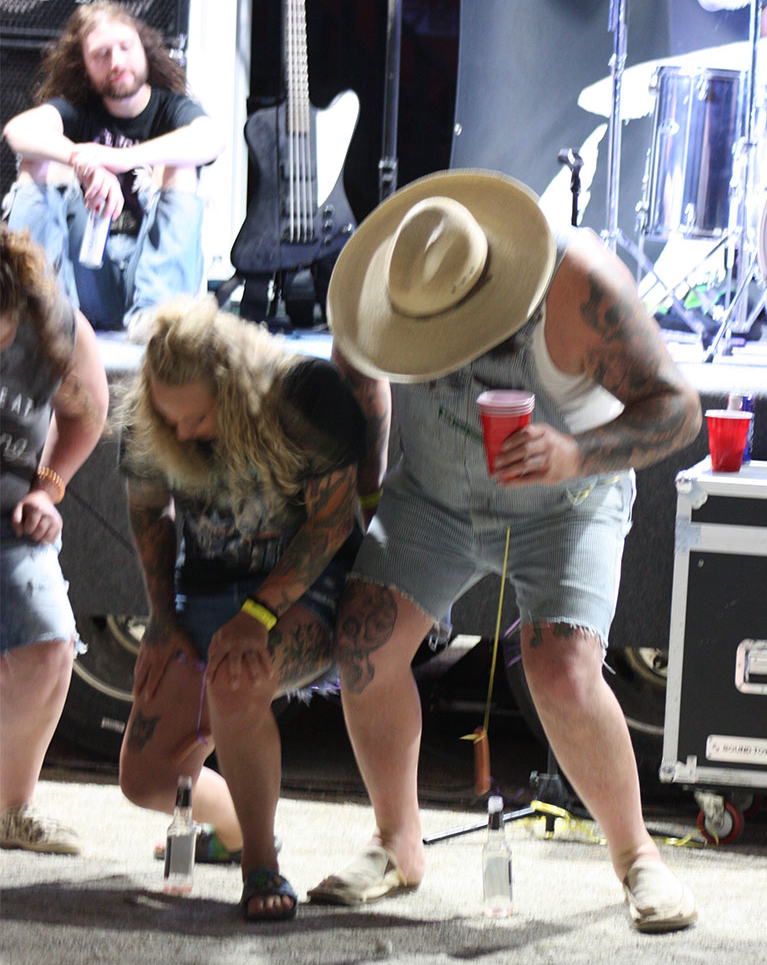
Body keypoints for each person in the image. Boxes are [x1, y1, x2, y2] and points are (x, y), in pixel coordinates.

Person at [307, 169, 703, 933]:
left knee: (559, 669)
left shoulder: (577, 281)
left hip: (568, 496)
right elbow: (357, 373)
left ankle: (637, 857)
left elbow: (678, 410)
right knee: (362, 642)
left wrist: (577, 452)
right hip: (436, 495)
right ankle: (395, 844)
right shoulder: (386, 277)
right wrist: (368, 491)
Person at [116, 297, 387, 921]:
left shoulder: (305, 396)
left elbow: (329, 523)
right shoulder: (155, 415)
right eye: (169, 419)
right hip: (204, 588)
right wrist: (162, 618)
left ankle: (260, 864)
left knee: (240, 678)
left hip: (304, 588)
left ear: (233, 390)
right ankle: (238, 823)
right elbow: (149, 514)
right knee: (145, 776)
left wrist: (259, 614)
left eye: (198, 419)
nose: (181, 433)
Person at [2, 0, 225, 334]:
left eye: (125, 47)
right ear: (84, 66)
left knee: (179, 166)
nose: (117, 62)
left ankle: (157, 321)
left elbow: (212, 139)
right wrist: (83, 161)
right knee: (40, 163)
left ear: (144, 48)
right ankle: (39, 315)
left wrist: (120, 159)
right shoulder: (78, 110)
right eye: (101, 54)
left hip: (155, 279)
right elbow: (17, 131)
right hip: (87, 275)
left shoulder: (171, 108)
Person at [0, 225, 109, 854]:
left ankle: (13, 806)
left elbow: (87, 409)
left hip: (13, 518)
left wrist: (49, 487)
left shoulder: (56, 325)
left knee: (49, 642)